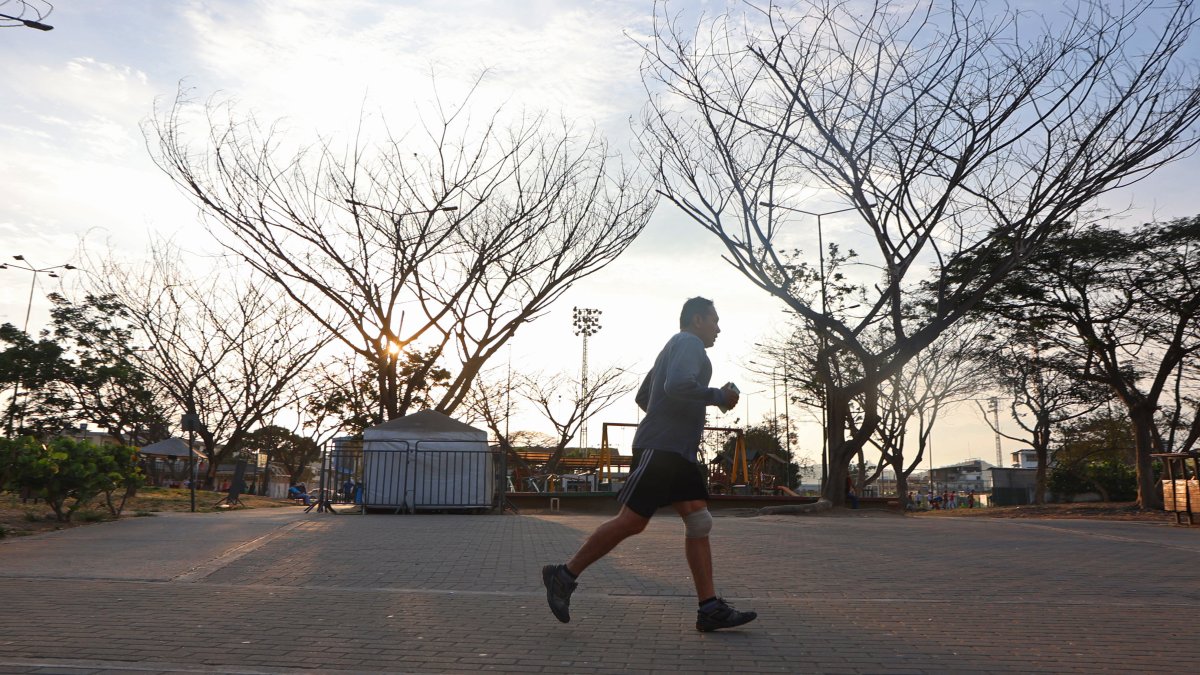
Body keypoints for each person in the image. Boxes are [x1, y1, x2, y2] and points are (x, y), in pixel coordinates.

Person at [541, 297, 757, 632]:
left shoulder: (674, 348)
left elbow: (646, 396)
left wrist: (671, 416)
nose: (718, 328)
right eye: (715, 320)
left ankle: (709, 608)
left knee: (699, 522)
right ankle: (563, 575)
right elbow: (676, 386)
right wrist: (716, 396)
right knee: (632, 522)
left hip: (677, 451)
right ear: (697, 319)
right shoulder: (689, 343)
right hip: (662, 449)